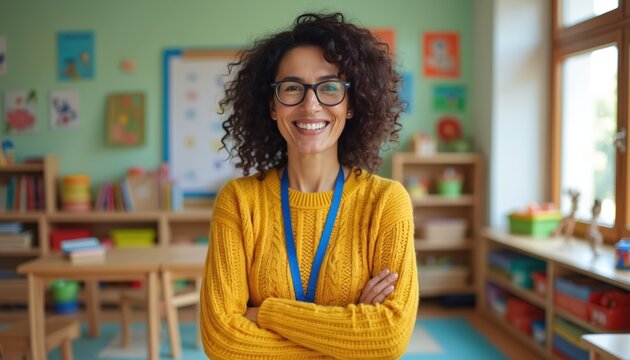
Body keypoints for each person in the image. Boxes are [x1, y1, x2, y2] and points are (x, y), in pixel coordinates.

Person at [200, 12, 418, 359]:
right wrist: (349, 338)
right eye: (292, 88)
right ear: (272, 105)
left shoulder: (386, 202)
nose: (310, 104)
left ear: (350, 104)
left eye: (330, 87)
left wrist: (266, 313)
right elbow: (222, 341)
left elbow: (389, 337)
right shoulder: (239, 201)